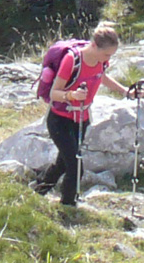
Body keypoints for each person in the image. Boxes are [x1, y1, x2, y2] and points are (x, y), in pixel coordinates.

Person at [31, 23, 128, 205]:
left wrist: (125, 91)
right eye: (107, 54)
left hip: (81, 120)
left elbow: (101, 76)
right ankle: (68, 205)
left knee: (63, 163)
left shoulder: (100, 61)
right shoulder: (72, 60)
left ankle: (37, 192)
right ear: (94, 46)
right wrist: (72, 96)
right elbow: (54, 93)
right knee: (76, 167)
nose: (108, 59)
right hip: (60, 120)